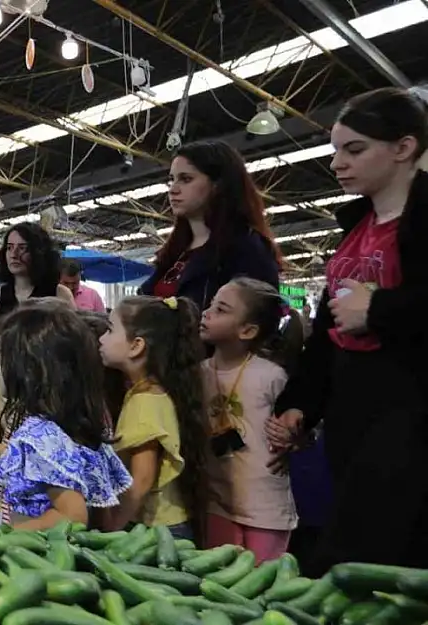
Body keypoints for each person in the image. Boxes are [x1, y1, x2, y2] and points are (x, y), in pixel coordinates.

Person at [267, 87, 428, 575]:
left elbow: (369, 312)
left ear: (403, 148)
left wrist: (380, 308)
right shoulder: (355, 227)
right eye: (335, 150)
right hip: (351, 411)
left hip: (410, 412)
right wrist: (300, 402)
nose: (337, 163)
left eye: (354, 149)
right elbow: (328, 330)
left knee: (387, 554)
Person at [0, 306, 131, 529]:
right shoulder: (69, 424)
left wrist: (6, 535)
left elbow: (72, 516)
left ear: (28, 369)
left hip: (40, 551)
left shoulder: (41, 436)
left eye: (1, 354)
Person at [199, 278, 304, 562]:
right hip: (217, 503)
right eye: (210, 305)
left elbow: (303, 429)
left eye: (221, 309)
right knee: (218, 582)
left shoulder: (270, 376)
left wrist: (293, 441)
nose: (206, 312)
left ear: (247, 330)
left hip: (265, 509)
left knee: (262, 586)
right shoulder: (197, 375)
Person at [98, 295, 209, 540]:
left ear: (136, 346)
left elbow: (142, 479)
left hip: (158, 531)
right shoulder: (154, 392)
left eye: (109, 330)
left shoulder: (144, 401)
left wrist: (112, 528)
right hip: (172, 524)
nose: (101, 339)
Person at [140, 140, 280, 311]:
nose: (173, 189)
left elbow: (261, 318)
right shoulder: (174, 252)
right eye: (172, 179)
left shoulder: (248, 248)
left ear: (218, 185)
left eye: (186, 179)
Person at [0, 223, 63, 316]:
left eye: (22, 248)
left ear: (39, 252)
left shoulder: (59, 293)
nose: (14, 255)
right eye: (9, 248)